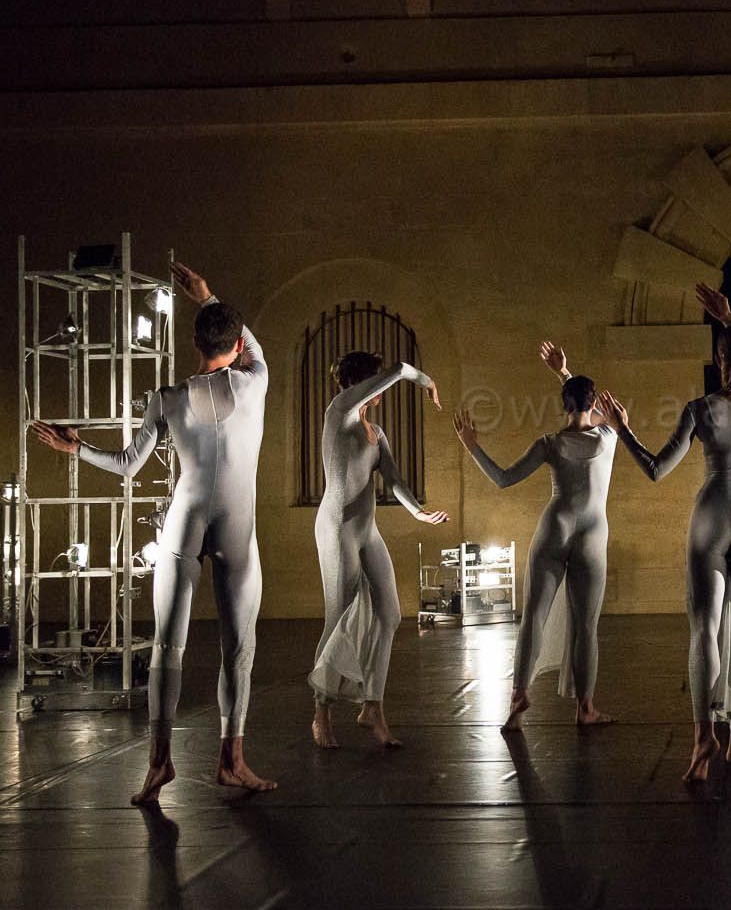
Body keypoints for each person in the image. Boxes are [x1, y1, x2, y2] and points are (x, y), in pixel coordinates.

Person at [32, 262, 274, 804]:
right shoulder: (255, 381)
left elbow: (126, 465)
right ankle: (231, 760)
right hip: (236, 528)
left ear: (194, 345)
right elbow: (251, 345)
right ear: (237, 346)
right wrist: (206, 295)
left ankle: (159, 764)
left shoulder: (167, 398)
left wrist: (77, 448)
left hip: (184, 522)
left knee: (168, 647)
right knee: (239, 647)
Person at [598, 284, 731, 781]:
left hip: (710, 520)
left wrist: (622, 428)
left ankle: (704, 739)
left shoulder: (700, 409)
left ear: (717, 360)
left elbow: (656, 469)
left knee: (704, 631)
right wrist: (730, 317)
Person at [454, 341, 616, 731]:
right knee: (586, 627)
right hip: (593, 535)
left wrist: (473, 447)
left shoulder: (550, 444)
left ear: (563, 405)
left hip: (553, 528)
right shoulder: (609, 436)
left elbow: (503, 479)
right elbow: (594, 410)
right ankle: (586, 708)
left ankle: (518, 695)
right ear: (593, 402)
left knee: (534, 618)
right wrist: (564, 372)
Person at [309, 351, 447, 749]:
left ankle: (372, 706)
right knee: (338, 618)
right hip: (337, 530)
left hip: (367, 530)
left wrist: (418, 512)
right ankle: (321, 712)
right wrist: (425, 382)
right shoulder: (339, 412)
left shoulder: (376, 432)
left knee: (389, 614)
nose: (380, 389)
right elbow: (400, 371)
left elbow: (394, 479)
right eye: (374, 381)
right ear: (358, 384)